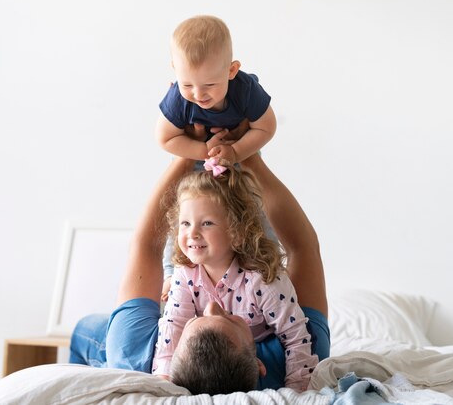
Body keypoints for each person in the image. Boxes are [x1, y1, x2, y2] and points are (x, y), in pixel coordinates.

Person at [69, 152, 329, 395]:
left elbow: (147, 246)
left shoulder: (133, 354)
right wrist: (251, 159)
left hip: (159, 325)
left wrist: (183, 155)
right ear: (260, 364)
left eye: (195, 321)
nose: (213, 307)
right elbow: (303, 248)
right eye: (228, 319)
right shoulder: (302, 351)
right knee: (239, 222)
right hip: (227, 282)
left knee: (85, 329)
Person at [152, 158, 317, 392]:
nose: (193, 233)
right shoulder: (185, 274)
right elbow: (173, 326)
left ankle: (247, 153)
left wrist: (298, 388)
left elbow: (295, 336)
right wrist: (163, 380)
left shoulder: (262, 279)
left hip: (254, 347)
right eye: (185, 223)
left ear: (236, 233)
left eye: (207, 223)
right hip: (212, 354)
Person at [155, 14, 277, 166]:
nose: (198, 94)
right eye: (187, 85)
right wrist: (204, 150)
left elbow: (266, 127)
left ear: (231, 71)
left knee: (249, 186)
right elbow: (165, 138)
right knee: (188, 188)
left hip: (241, 151)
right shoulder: (178, 98)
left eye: (210, 84)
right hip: (194, 156)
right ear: (175, 70)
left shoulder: (245, 89)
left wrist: (235, 152)